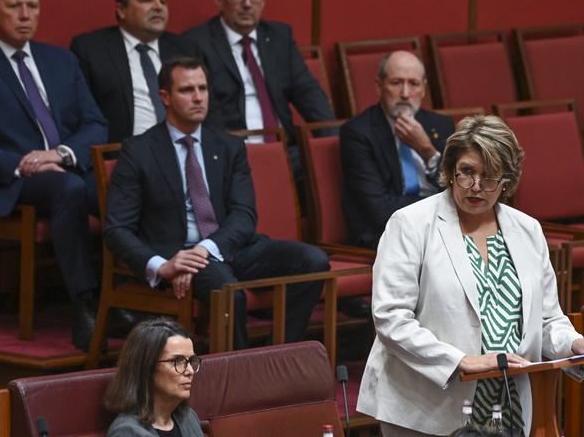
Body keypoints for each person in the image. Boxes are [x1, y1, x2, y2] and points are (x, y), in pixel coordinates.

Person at [356, 115, 584, 436]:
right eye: (467, 173)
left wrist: (574, 343)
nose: (477, 186)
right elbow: (391, 317)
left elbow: (546, 320)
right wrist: (458, 360)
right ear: (450, 171)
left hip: (507, 402)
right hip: (426, 406)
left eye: (490, 176)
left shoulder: (528, 230)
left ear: (507, 180)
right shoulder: (410, 224)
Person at [104, 55, 328, 349]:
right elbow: (116, 228)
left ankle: (278, 356)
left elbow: (244, 214)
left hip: (225, 246)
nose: (198, 97)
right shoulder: (139, 151)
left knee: (313, 261)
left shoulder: (228, 146)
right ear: (165, 97)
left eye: (203, 88)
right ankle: (239, 376)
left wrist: (206, 249)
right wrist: (162, 266)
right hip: (178, 254)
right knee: (227, 291)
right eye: (187, 90)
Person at [0, 0, 108, 351]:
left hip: (66, 165)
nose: (24, 14)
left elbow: (96, 123)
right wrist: (25, 164)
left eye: (32, 6)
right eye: (14, 6)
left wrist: (60, 154)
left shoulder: (61, 60)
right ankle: (85, 304)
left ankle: (134, 295)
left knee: (126, 186)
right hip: (12, 178)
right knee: (70, 188)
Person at [183, 0, 334, 179]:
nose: (247, 3)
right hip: (232, 154)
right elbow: (205, 113)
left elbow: (309, 94)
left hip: (286, 152)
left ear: (263, 0)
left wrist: (331, 142)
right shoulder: (197, 43)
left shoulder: (279, 37)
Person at [70, 0, 206, 143]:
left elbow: (208, 107)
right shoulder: (91, 49)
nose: (158, 7)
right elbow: (82, 115)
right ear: (121, 10)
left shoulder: (185, 48)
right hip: (121, 155)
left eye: (163, 1)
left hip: (182, 149)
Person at [341, 50, 455, 251]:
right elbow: (379, 210)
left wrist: (427, 150)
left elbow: (457, 188)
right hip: (389, 235)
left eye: (413, 84)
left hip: (442, 229)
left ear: (424, 89)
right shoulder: (358, 133)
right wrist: (443, 208)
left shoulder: (441, 125)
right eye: (396, 83)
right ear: (379, 86)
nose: (405, 93)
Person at [104, 319, 204, 437]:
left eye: (191, 361)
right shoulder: (126, 432)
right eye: (177, 361)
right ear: (147, 367)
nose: (190, 371)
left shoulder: (188, 417)